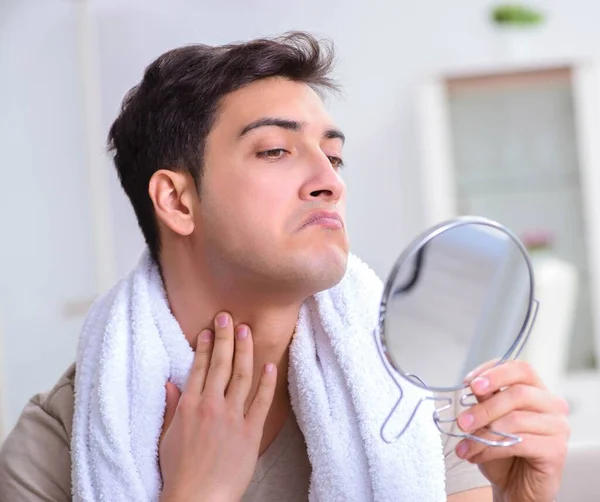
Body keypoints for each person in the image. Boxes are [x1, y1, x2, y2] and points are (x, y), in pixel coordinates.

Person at [0, 32, 569, 502]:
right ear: (177, 201)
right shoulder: (55, 447)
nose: (331, 180)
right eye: (276, 150)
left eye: (335, 155)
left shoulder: (409, 393)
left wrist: (525, 498)